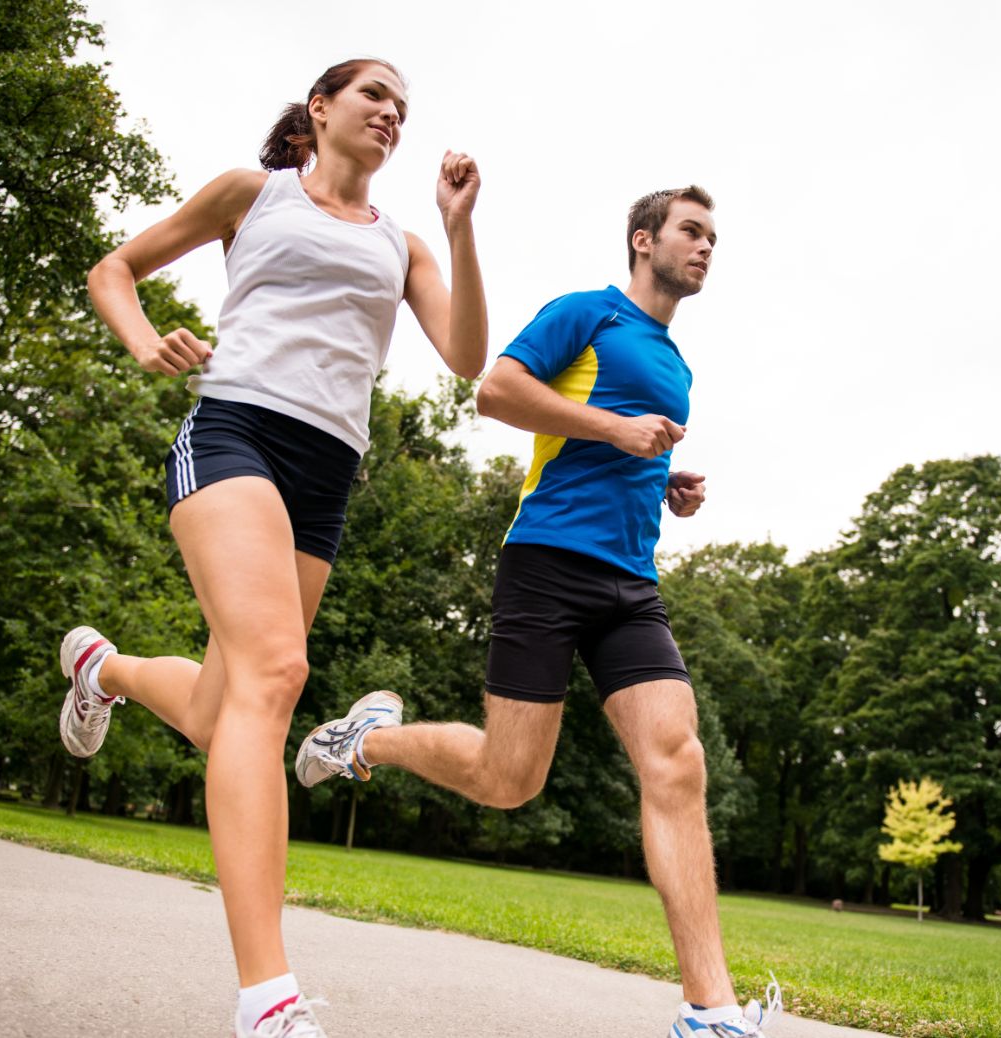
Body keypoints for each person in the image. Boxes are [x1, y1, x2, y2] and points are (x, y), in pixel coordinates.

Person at [57, 58, 487, 1038]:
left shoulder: (404, 241)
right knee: (277, 673)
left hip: (326, 475)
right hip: (235, 431)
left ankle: (103, 668)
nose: (391, 112)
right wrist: (139, 340)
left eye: (404, 107)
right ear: (323, 108)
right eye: (373, 94)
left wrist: (458, 233)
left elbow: (465, 357)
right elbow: (112, 269)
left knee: (224, 713)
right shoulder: (253, 196)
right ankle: (268, 1001)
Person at [296, 186, 783, 1037]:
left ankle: (712, 1012)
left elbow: (614, 448)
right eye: (692, 231)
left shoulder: (677, 362)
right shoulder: (584, 313)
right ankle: (361, 740)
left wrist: (663, 483)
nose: (707, 247)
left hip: (632, 583)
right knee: (508, 780)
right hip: (548, 565)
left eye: (716, 237)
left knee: (678, 763)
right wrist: (613, 431)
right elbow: (494, 392)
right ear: (644, 239)